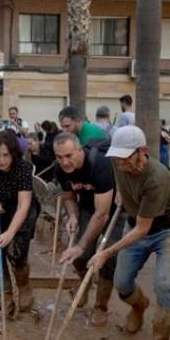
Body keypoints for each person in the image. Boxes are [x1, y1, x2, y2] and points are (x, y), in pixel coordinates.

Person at [89, 126, 170, 340]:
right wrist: (123, 194)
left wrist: (106, 252)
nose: (121, 164)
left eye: (126, 159)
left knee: (164, 284)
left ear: (142, 152)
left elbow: (144, 230)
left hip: (168, 229)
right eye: (118, 159)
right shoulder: (117, 161)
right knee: (122, 283)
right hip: (136, 221)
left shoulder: (158, 177)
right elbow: (120, 183)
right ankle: (139, 305)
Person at [54, 132, 122, 326]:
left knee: (107, 257)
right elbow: (68, 197)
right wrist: (73, 215)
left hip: (114, 208)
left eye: (69, 156)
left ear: (79, 149)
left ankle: (101, 306)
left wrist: (82, 245)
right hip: (86, 206)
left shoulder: (100, 164)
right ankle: (85, 282)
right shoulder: (61, 169)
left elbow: (102, 214)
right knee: (78, 256)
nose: (65, 162)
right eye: (59, 157)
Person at [0, 131, 39, 316]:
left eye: (6, 155)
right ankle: (5, 297)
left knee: (16, 251)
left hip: (19, 210)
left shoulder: (23, 168)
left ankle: (24, 287)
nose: (2, 160)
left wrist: (10, 233)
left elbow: (24, 205)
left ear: (13, 154)